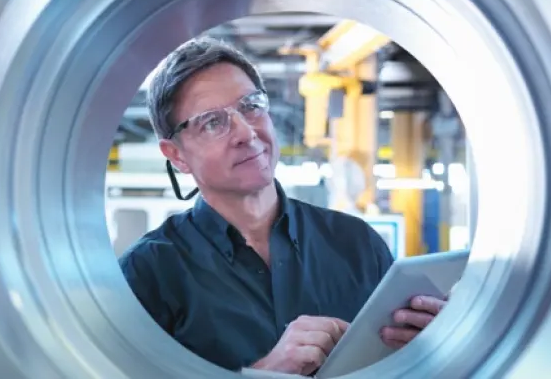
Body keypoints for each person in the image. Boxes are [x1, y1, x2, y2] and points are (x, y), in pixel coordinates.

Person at [118, 37, 447, 376]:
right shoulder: (147, 274)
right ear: (176, 155)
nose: (246, 132)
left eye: (250, 106)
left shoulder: (358, 244)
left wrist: (432, 345)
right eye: (213, 122)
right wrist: (267, 373)